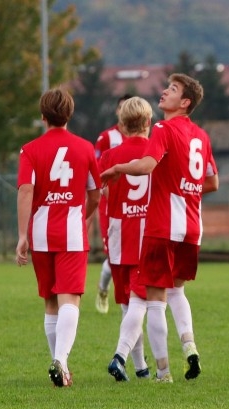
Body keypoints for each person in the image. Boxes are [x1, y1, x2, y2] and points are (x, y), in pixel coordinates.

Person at [102, 73, 219, 383]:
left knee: (153, 299)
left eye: (173, 89)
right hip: (193, 226)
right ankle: (189, 345)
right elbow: (212, 182)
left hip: (162, 225)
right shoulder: (202, 137)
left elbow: (146, 166)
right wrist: (185, 189)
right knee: (177, 290)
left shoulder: (163, 128)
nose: (164, 91)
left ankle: (163, 371)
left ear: (185, 103)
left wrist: (117, 168)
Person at [16, 86, 101, 388]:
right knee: (70, 299)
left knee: (51, 301)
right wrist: (84, 214)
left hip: (40, 233)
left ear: (42, 116)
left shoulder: (30, 150)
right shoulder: (85, 148)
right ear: (70, 114)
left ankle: (60, 366)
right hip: (71, 234)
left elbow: (26, 191)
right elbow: (95, 193)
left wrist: (22, 236)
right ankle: (62, 361)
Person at [99, 96, 153, 381]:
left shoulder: (110, 156)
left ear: (122, 123)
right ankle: (120, 357)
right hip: (147, 234)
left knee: (128, 305)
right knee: (141, 303)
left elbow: (105, 193)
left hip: (119, 234)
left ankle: (141, 367)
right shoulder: (156, 151)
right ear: (147, 122)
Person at [93, 94, 134, 314]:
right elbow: (97, 173)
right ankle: (104, 289)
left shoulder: (144, 140)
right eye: (121, 107)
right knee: (114, 257)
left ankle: (129, 300)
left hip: (134, 208)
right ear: (117, 111)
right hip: (111, 207)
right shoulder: (107, 138)